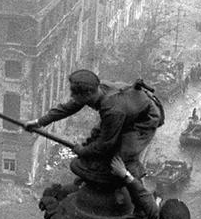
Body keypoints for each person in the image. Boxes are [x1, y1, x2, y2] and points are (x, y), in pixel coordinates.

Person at [25, 70, 163, 179]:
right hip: (127, 111)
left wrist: (82, 151)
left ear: (88, 93)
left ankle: (135, 180)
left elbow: (106, 143)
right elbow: (68, 107)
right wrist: (39, 122)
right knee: (95, 139)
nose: (72, 96)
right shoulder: (95, 89)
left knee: (121, 159)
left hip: (144, 119)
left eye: (74, 94)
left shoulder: (111, 110)